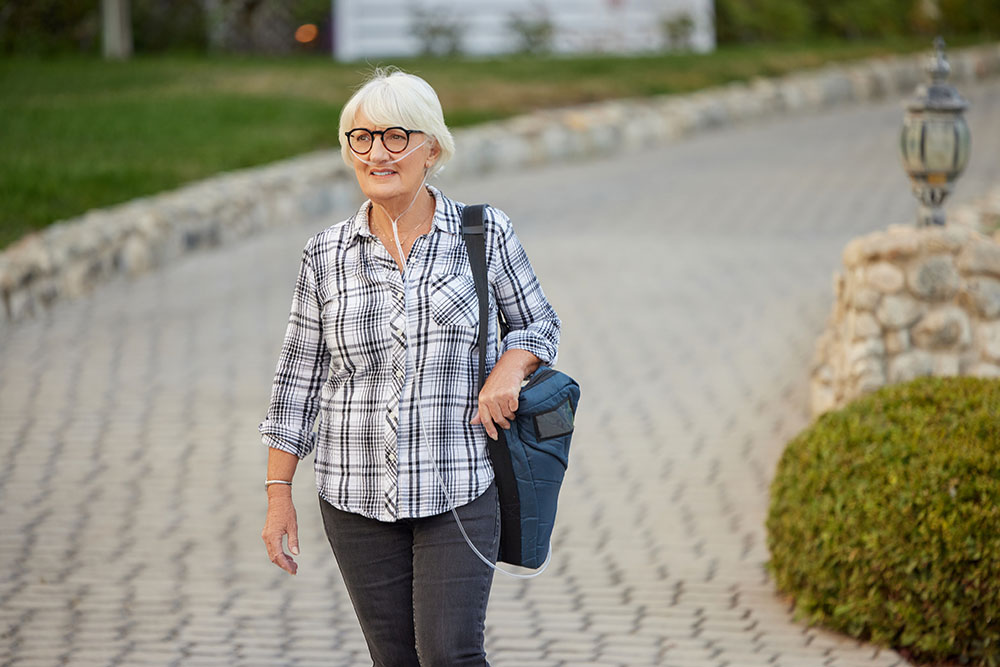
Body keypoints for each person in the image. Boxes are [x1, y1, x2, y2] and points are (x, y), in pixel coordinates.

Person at [258, 68, 561, 666]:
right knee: (393, 659)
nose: (378, 153)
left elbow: (538, 323)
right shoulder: (324, 256)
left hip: (458, 483)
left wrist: (509, 367)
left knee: (450, 655)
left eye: (397, 137)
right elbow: (297, 379)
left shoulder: (482, 233)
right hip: (353, 494)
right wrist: (278, 494)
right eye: (361, 138)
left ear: (432, 147)